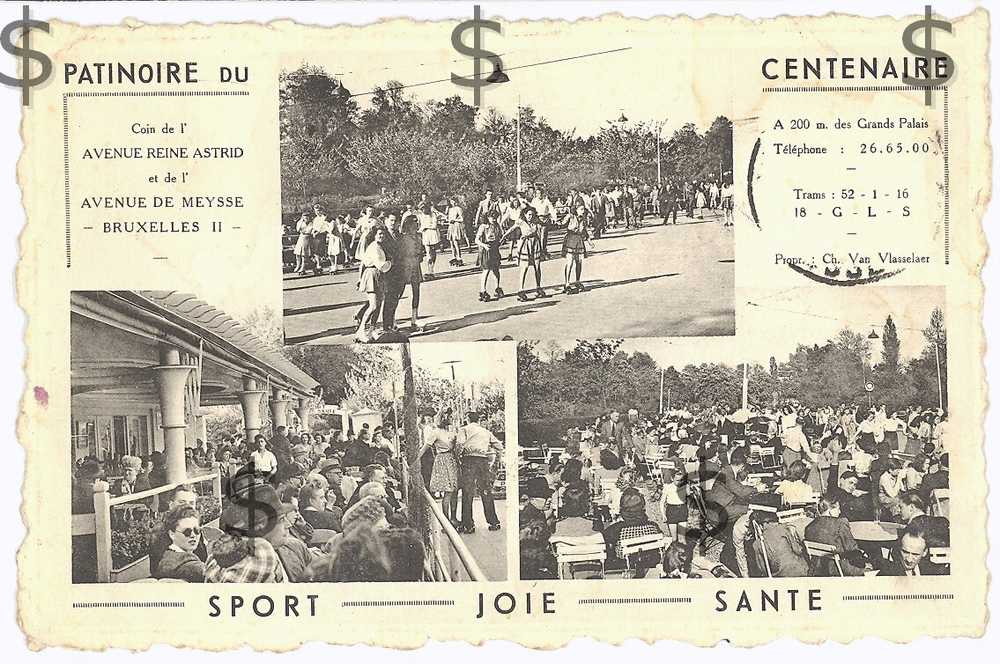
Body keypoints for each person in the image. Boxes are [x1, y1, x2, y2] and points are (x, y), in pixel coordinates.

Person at [205, 484, 294, 583]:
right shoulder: (261, 551)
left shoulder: (218, 555)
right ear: (260, 526)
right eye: (281, 520)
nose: (288, 524)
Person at [456, 411, 504, 533]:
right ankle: (494, 522)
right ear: (478, 420)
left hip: (469, 460)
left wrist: (458, 457)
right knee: (486, 491)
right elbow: (499, 446)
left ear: (467, 419)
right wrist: (493, 457)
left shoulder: (464, 429)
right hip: (483, 460)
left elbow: (459, 445)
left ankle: (468, 524)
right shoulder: (486, 432)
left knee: (468, 492)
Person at [602, 489, 663, 578]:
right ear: (642, 508)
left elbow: (605, 544)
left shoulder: (617, 529)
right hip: (650, 565)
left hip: (625, 566)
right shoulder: (653, 526)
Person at [803, 496, 865, 576]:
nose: (839, 512)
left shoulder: (810, 526)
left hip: (818, 569)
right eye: (838, 509)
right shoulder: (840, 523)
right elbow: (852, 548)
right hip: (838, 568)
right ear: (830, 511)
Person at [419, 408, 460, 526]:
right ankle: (446, 521)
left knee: (454, 490)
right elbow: (425, 447)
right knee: (447, 491)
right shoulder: (435, 432)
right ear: (444, 418)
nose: (452, 419)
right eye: (450, 417)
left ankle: (453, 518)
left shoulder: (451, 432)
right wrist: (416, 460)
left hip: (452, 460)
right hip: (442, 460)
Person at [500, 206, 548, 302]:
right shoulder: (520, 221)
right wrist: (503, 237)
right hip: (525, 245)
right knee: (524, 267)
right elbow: (511, 229)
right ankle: (521, 289)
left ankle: (538, 287)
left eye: (532, 214)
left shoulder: (536, 221)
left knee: (537, 267)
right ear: (525, 214)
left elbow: (545, 224)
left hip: (535, 244)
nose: (530, 216)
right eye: (529, 214)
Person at [356, 226, 392, 343]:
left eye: (383, 234)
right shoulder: (374, 247)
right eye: (379, 234)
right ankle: (361, 331)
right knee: (373, 306)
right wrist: (391, 262)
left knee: (378, 305)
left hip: (379, 275)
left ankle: (372, 330)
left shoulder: (379, 246)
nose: (382, 236)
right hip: (372, 274)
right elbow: (381, 265)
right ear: (374, 235)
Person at [153, 505, 206, 582]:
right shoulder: (186, 562)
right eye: (187, 532)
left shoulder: (168, 556)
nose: (193, 535)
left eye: (196, 530)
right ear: (172, 534)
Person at [395, 215, 425, 331]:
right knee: (399, 292)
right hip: (405, 266)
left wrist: (420, 255)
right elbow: (400, 253)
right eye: (413, 224)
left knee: (416, 292)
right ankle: (393, 320)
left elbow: (421, 252)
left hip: (416, 265)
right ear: (408, 225)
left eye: (416, 223)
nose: (415, 225)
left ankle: (414, 320)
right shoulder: (403, 238)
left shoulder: (419, 236)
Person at [475, 208, 504, 302]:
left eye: (495, 217)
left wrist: (501, 241)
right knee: (486, 270)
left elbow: (500, 236)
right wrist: (484, 245)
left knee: (496, 269)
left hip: (495, 248)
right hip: (487, 248)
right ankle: (483, 290)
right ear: (488, 217)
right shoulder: (483, 226)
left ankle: (497, 288)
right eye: (492, 217)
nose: (494, 219)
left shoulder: (497, 226)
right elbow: (477, 240)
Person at [560, 203, 589, 294]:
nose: (582, 211)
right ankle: (567, 283)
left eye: (583, 209)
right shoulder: (571, 217)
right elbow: (561, 223)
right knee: (570, 262)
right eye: (581, 209)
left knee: (579, 262)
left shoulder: (583, 219)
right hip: (571, 239)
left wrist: (589, 241)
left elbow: (584, 231)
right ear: (576, 210)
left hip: (579, 241)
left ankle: (577, 281)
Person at [417, 202, 442, 279]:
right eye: (422, 209)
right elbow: (420, 227)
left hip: (433, 234)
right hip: (426, 235)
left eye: (424, 208)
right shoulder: (420, 216)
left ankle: (431, 269)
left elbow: (434, 225)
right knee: (428, 253)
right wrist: (421, 230)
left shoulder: (433, 214)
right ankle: (429, 271)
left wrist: (426, 227)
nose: (423, 210)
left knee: (433, 252)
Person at [446, 198, 466, 266]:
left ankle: (459, 257)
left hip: (456, 225)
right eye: (452, 201)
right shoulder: (450, 209)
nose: (453, 202)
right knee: (451, 242)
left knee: (455, 242)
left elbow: (462, 219)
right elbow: (448, 218)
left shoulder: (458, 208)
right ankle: (453, 257)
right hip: (451, 226)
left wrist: (454, 220)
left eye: (454, 201)